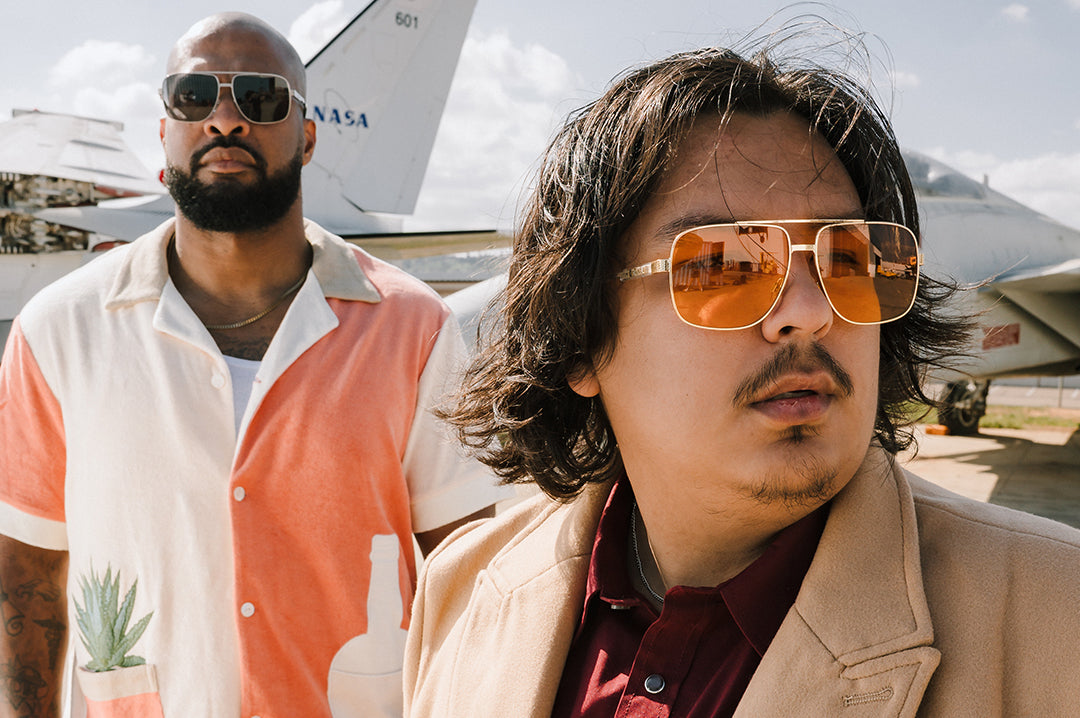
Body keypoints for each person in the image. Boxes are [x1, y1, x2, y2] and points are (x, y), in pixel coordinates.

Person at [403, 32, 1080, 718]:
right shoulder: (460, 590)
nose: (810, 313)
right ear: (580, 339)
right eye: (724, 264)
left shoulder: (1059, 620)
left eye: (849, 259)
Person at [0, 12, 507, 717]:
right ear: (164, 132)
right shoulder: (59, 331)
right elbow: (26, 574)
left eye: (260, 97)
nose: (225, 119)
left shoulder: (412, 329)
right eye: (193, 97)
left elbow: (469, 573)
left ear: (308, 137)